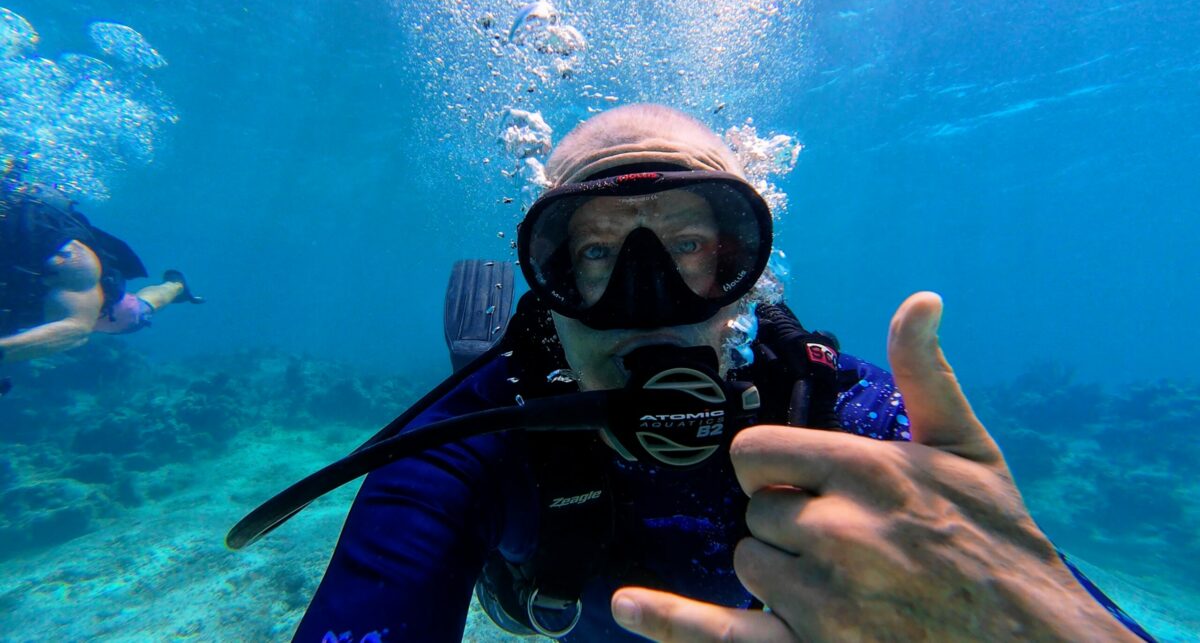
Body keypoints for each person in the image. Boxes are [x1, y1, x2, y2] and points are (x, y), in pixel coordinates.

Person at [229, 104, 1151, 642]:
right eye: (592, 254)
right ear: (545, 283)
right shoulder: (475, 432)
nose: (649, 299)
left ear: (745, 265)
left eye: (690, 244)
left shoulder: (832, 409)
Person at [0, 158, 204, 379]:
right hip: (17, 300)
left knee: (135, 313)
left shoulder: (64, 253)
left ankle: (175, 286)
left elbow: (76, 329)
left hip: (79, 302)